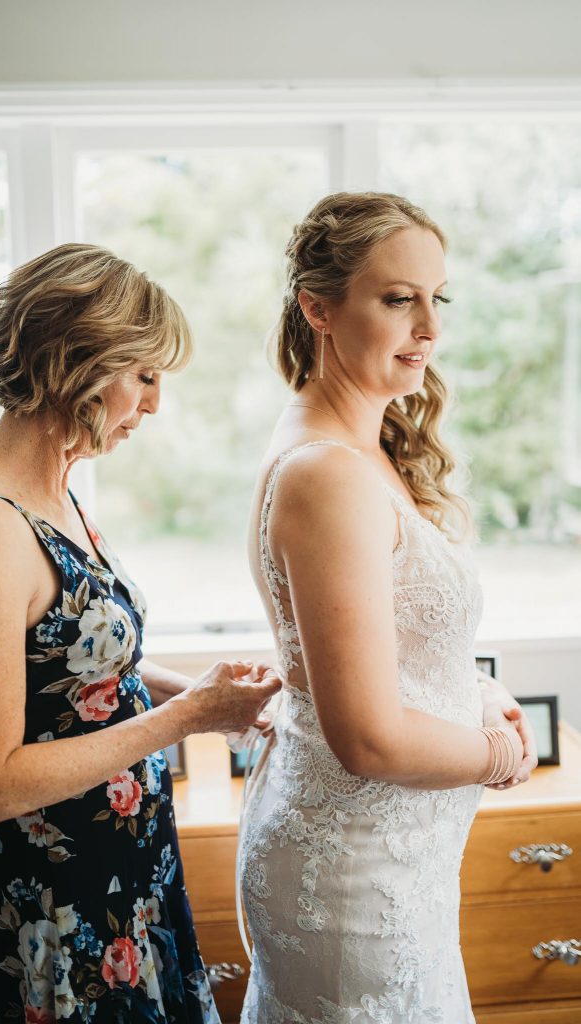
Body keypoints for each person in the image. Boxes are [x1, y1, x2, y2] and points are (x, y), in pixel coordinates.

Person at [0, 243, 281, 1024]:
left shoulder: (57, 494)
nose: (153, 405)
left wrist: (216, 698)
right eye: (144, 376)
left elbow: (83, 678)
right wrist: (186, 719)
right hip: (61, 901)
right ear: (78, 360)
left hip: (128, 872)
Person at [238, 193, 538, 1023]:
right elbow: (366, 734)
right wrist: (495, 755)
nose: (429, 329)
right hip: (355, 880)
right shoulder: (326, 472)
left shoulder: (359, 446)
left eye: (437, 299)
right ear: (317, 308)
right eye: (397, 299)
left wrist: (472, 689)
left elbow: (394, 643)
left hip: (397, 862)